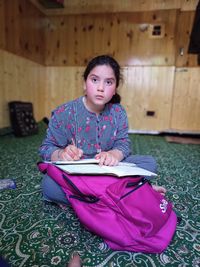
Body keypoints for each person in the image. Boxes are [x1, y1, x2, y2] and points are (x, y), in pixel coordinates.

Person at [39, 54, 166, 204]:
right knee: (49, 185)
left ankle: (94, 198)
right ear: (84, 84)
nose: (100, 88)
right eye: (94, 80)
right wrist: (61, 154)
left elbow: (124, 145)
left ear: (115, 89)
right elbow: (46, 149)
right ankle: (128, 193)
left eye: (108, 82)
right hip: (77, 174)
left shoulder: (118, 112)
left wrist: (113, 154)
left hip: (108, 171)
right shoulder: (63, 113)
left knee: (149, 163)